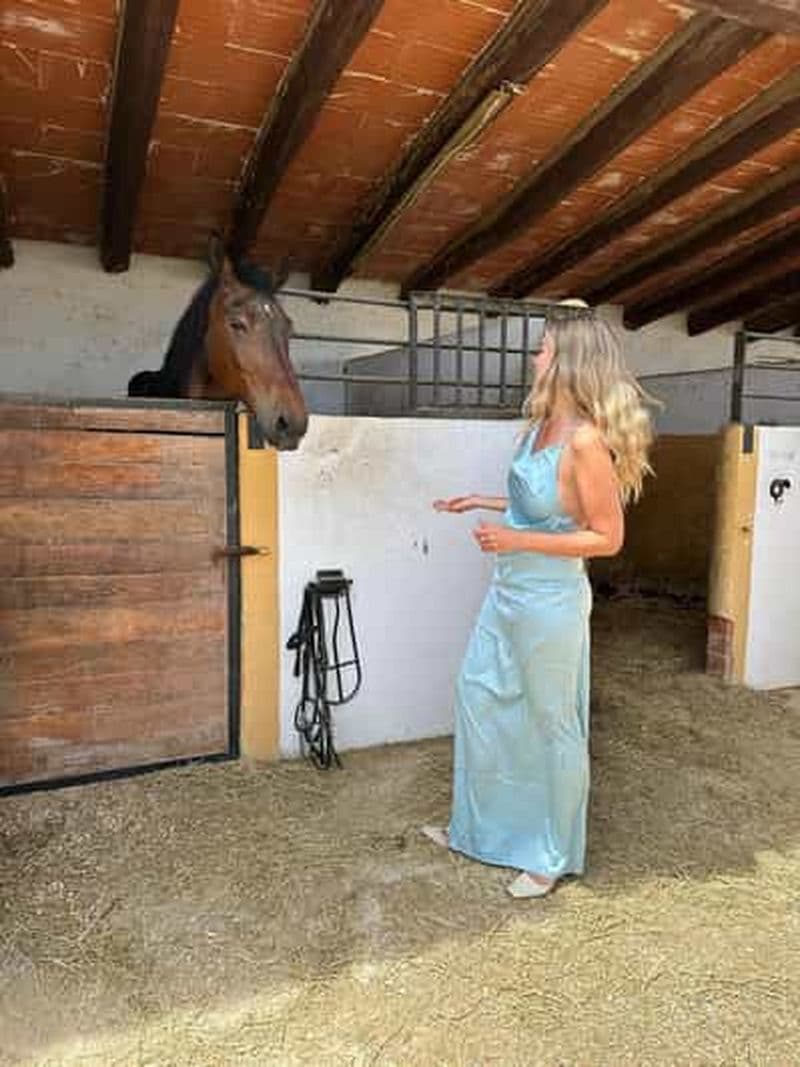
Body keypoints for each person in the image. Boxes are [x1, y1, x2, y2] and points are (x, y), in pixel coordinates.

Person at [425, 300, 654, 898]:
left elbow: (607, 537)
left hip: (550, 602)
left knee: (553, 723)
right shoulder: (539, 427)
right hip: (508, 592)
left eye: (544, 347)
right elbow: (546, 506)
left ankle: (551, 854)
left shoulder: (585, 442)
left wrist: (513, 539)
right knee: (477, 694)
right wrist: (481, 500)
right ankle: (477, 829)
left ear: (568, 360)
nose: (535, 355)